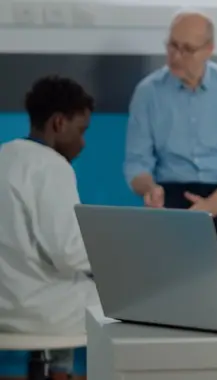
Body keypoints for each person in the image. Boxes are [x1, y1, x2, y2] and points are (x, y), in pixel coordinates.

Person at [124, 10, 217, 298]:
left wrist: (212, 205)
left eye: (187, 49)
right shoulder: (148, 92)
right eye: (172, 45)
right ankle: (175, 316)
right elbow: (137, 162)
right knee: (167, 242)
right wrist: (148, 188)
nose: (175, 56)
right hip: (170, 187)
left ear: (209, 50)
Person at [0, 75, 97, 380]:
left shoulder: (5, 155)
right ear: (58, 123)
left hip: (5, 305)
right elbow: (69, 253)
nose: (82, 143)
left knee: (73, 284)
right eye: (81, 131)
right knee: (118, 294)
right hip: (37, 314)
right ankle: (60, 373)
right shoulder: (52, 167)